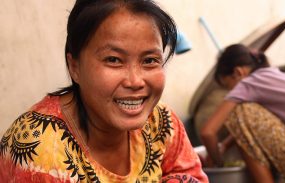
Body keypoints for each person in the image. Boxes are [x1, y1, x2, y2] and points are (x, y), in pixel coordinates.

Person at [0, 0, 208, 182]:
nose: (135, 81)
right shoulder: (39, 148)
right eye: (113, 60)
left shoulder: (161, 123)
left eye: (150, 60)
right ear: (75, 67)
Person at [200, 43, 285, 183]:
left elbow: (208, 132)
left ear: (238, 72)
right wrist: (225, 146)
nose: (231, 93)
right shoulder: (277, 76)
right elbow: (252, 128)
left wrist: (218, 163)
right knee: (246, 114)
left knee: (239, 112)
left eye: (229, 86)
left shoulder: (248, 84)